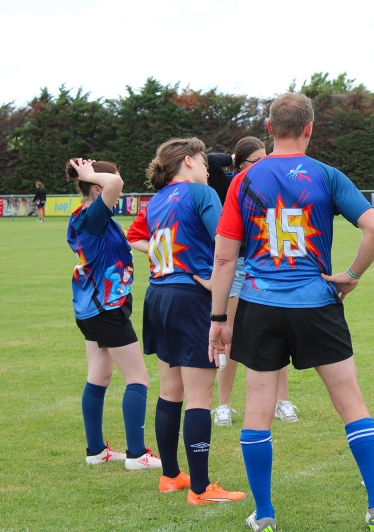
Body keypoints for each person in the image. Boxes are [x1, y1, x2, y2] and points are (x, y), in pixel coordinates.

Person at [208, 92, 374, 531]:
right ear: (310, 128)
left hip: (260, 305)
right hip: (316, 303)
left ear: (269, 129)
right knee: (351, 404)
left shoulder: (243, 181)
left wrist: (218, 319)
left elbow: (223, 259)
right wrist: (350, 274)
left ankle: (266, 514)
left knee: (256, 410)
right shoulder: (326, 175)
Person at [126, 138, 245, 505]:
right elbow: (226, 241)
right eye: (205, 161)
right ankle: (201, 488)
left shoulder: (157, 199)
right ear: (189, 161)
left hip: (158, 296)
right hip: (189, 299)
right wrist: (212, 279)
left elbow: (138, 238)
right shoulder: (201, 193)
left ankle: (171, 476)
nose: (209, 168)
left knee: (169, 390)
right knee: (198, 395)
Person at [66, 158, 160, 471]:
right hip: (105, 308)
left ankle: (96, 450)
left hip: (92, 307)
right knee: (139, 378)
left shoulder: (88, 216)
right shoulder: (93, 215)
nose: (119, 190)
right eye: (109, 183)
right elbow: (115, 185)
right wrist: (95, 174)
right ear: (97, 187)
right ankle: (137, 454)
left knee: (99, 375)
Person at [206, 138, 300, 427]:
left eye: (265, 159)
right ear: (239, 164)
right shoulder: (230, 182)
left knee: (277, 333)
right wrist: (234, 157)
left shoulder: (274, 182)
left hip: (267, 265)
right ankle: (223, 405)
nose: (262, 165)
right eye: (254, 161)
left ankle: (282, 402)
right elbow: (209, 161)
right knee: (229, 335)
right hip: (236, 266)